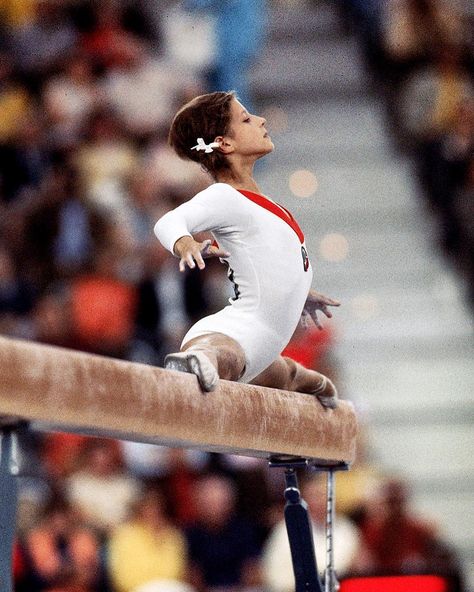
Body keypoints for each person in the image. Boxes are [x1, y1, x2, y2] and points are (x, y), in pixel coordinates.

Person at [154, 91, 340, 407]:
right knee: (230, 356)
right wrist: (185, 243)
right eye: (246, 118)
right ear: (224, 144)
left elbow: (273, 260)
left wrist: (298, 295)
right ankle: (198, 361)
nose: (261, 120)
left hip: (262, 346)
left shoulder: (267, 206)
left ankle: (320, 389)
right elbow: (169, 222)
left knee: (288, 376)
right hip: (236, 332)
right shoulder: (225, 197)